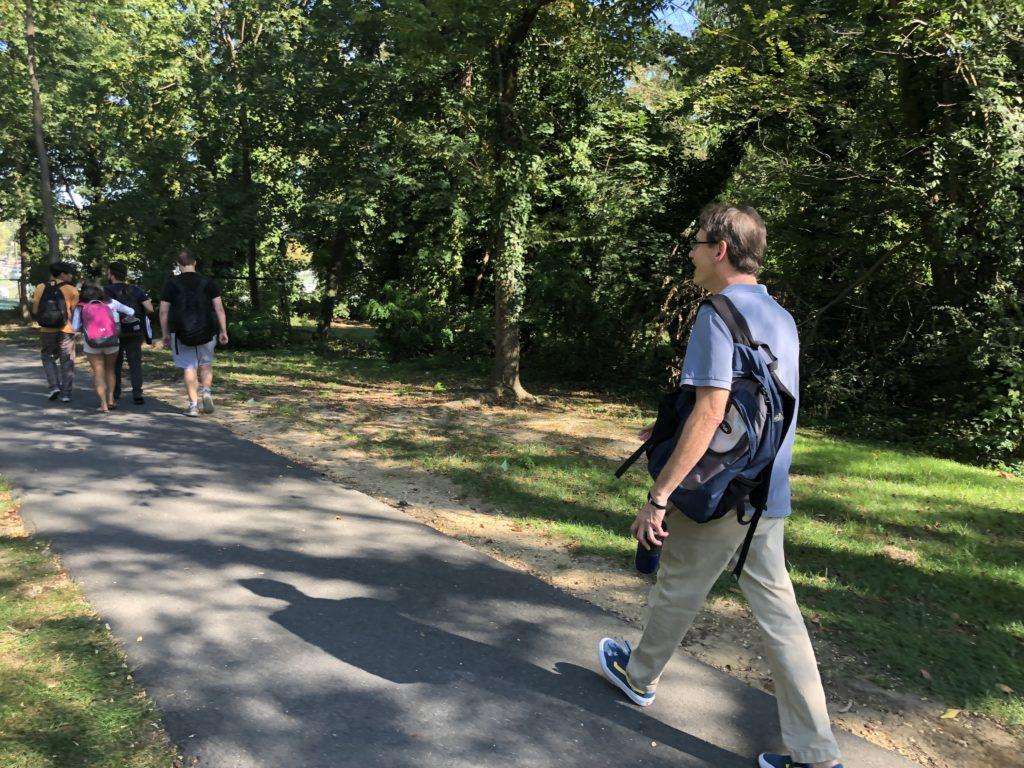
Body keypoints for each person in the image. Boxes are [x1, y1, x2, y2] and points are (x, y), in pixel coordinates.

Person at [597, 204, 844, 768]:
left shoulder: (717, 313)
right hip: (767, 493)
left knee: (679, 584)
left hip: (722, 494)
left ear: (721, 249)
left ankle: (638, 676)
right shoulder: (781, 316)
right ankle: (816, 753)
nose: (690, 252)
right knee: (781, 616)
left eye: (696, 241)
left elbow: (712, 414)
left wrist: (659, 495)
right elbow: (759, 410)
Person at [159, 248, 229, 417]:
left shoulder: (171, 283)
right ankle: (206, 391)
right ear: (195, 263)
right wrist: (223, 330)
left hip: (181, 331)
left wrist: (165, 333)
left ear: (178, 264)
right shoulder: (208, 282)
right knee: (205, 363)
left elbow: (163, 311)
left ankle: (193, 406)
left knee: (189, 367)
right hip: (207, 330)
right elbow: (219, 308)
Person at [71, 282, 136, 413]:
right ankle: (111, 398)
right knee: (110, 370)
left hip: (92, 343)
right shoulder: (110, 302)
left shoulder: (81, 306)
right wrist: (122, 320)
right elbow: (131, 311)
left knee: (98, 373)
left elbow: (74, 327)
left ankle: (103, 404)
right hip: (112, 340)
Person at [105, 262, 154, 405]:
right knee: (135, 363)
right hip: (134, 331)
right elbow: (150, 308)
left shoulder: (106, 291)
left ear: (111, 274)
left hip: (114, 331)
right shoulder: (136, 289)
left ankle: (115, 393)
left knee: (115, 363)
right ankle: (137, 394)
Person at [32, 261, 79, 403]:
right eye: (69, 273)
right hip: (66, 330)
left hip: (47, 329)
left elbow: (35, 310)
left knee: (47, 356)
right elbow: (76, 313)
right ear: (63, 274)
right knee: (67, 360)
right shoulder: (72, 290)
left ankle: (54, 387)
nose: (71, 276)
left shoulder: (40, 287)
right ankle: (66, 394)